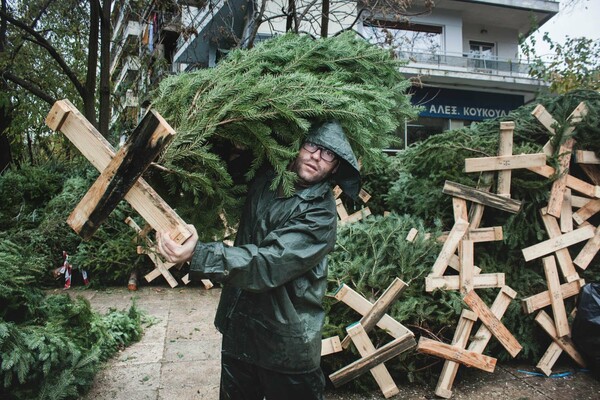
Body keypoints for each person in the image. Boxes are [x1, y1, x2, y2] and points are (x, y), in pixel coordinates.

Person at [156, 120, 360, 400]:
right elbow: (220, 171)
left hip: (286, 346)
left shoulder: (320, 216)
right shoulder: (266, 177)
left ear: (336, 166)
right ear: (298, 144)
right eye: (312, 145)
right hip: (239, 331)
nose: (316, 156)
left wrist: (200, 253)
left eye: (329, 154)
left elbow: (267, 264)